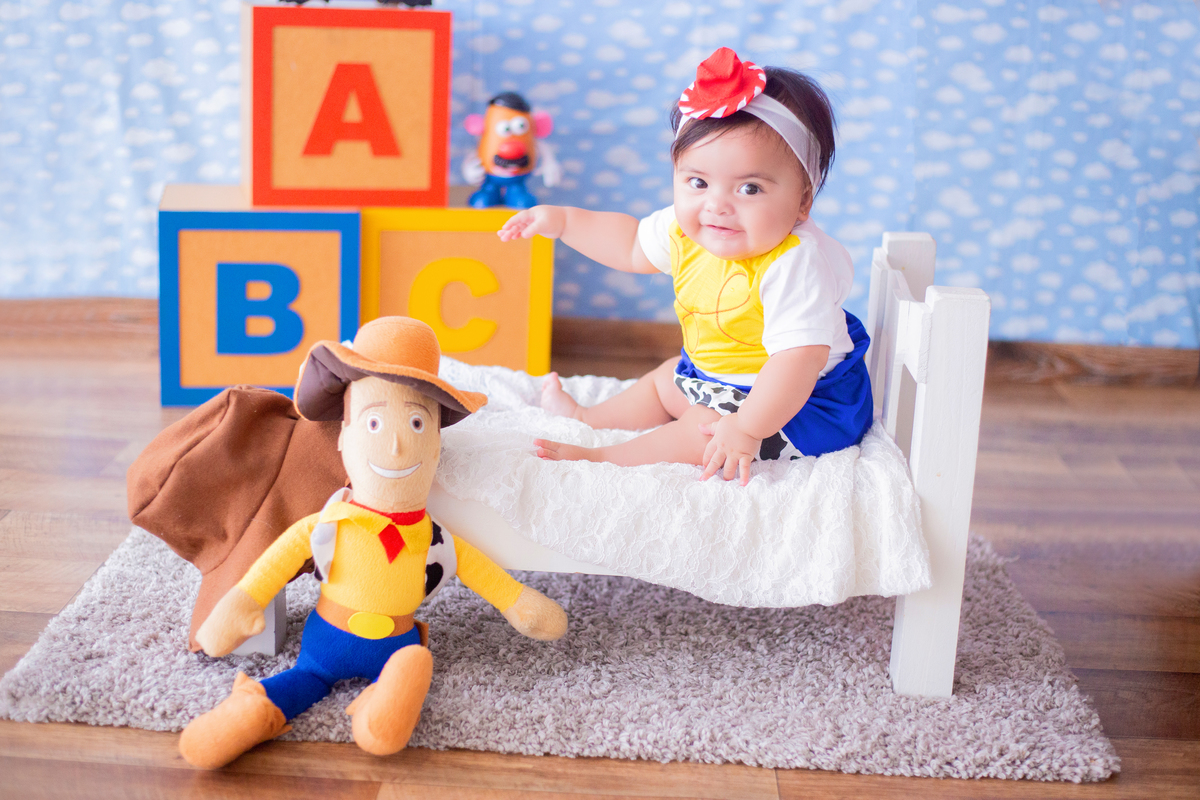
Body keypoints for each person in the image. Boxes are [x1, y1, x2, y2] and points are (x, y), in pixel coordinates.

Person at [179, 317, 567, 769]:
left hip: (394, 645)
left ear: (437, 444)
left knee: (407, 665)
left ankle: (389, 698)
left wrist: (519, 603)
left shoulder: (433, 537)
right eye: (376, 421)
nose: (399, 446)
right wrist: (242, 602)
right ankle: (250, 711)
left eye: (418, 422)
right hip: (324, 645)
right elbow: (276, 561)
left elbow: (478, 569)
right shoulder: (331, 520)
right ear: (344, 436)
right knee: (304, 679)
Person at [497, 47, 873, 485]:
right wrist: (563, 222)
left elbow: (798, 361)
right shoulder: (684, 228)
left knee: (701, 430)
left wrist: (747, 427)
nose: (717, 205)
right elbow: (631, 245)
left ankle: (603, 460)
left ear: (802, 202)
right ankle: (587, 414)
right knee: (664, 381)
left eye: (750, 189)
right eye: (698, 182)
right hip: (723, 380)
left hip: (799, 406)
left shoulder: (794, 262)